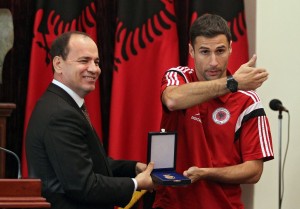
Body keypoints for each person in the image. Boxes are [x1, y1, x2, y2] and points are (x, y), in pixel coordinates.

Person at [152, 14, 274, 209]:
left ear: (231, 48)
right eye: (204, 52)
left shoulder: (248, 100)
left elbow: (254, 171)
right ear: (191, 50)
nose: (214, 62)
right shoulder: (179, 76)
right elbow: (173, 99)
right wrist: (232, 83)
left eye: (220, 51)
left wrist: (206, 173)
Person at [25, 31, 155, 209]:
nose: (94, 69)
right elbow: (83, 186)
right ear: (58, 64)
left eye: (97, 62)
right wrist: (136, 184)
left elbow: (89, 163)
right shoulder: (60, 114)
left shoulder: (64, 104)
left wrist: (133, 168)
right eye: (84, 61)